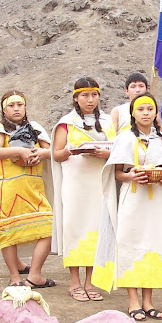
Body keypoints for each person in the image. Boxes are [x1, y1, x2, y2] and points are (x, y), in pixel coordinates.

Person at [92, 92, 162, 321]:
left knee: (154, 245)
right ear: (133, 112)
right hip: (132, 201)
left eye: (150, 109)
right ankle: (133, 301)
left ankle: (148, 301)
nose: (145, 113)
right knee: (131, 245)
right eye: (141, 109)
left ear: (155, 113)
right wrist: (131, 176)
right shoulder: (124, 138)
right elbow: (117, 173)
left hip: (156, 202)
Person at [0, 90, 55, 288]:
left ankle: (34, 274)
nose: (16, 109)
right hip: (8, 187)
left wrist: (40, 154)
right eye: (11, 105)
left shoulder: (35, 128)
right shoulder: (0, 129)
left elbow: (51, 151)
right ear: (4, 109)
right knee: (9, 232)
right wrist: (19, 150)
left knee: (47, 229)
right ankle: (14, 276)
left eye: (20, 105)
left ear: (25, 107)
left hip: (34, 186)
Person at [51, 77, 115, 302]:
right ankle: (74, 282)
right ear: (76, 98)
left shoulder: (108, 122)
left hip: (98, 182)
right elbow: (56, 153)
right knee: (75, 227)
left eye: (94, 95)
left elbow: (118, 148)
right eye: (85, 95)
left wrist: (106, 153)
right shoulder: (67, 123)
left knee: (96, 229)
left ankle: (91, 281)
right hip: (76, 183)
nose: (90, 100)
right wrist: (71, 150)